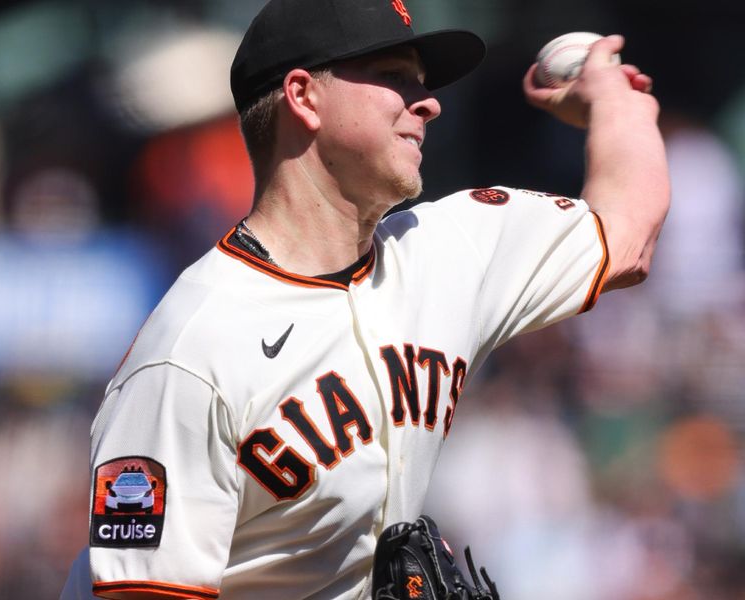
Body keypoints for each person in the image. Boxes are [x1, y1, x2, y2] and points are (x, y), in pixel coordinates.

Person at [60, 0, 669, 598]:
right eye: (394, 78)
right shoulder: (189, 354)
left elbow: (625, 238)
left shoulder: (448, 248)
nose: (428, 103)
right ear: (304, 96)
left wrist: (619, 105)